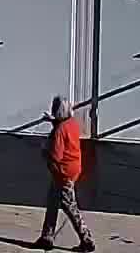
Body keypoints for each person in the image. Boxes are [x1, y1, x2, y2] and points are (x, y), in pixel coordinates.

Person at [35, 96, 94, 252]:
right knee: (53, 202)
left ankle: (87, 240)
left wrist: (44, 151)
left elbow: (56, 156)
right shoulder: (71, 124)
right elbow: (62, 127)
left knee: (70, 207)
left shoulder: (60, 130)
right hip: (71, 169)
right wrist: (52, 122)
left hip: (63, 173)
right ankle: (46, 237)